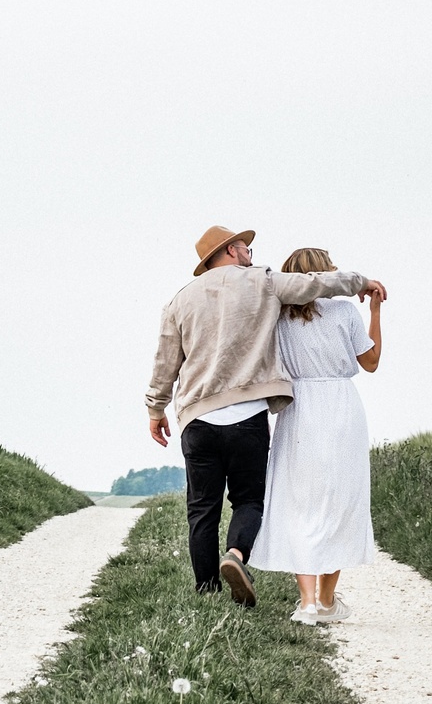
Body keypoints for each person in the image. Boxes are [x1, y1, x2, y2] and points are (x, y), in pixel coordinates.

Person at [145, 226, 385, 605]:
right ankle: (236, 554)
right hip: (248, 416)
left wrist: (155, 408)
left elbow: (165, 363)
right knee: (248, 500)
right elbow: (315, 284)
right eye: (246, 248)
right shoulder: (262, 283)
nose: (250, 255)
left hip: (197, 417)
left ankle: (207, 592)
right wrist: (362, 282)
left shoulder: (179, 301)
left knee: (202, 508)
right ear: (231, 251)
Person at [247, 246, 383, 624]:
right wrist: (375, 311)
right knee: (339, 501)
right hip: (341, 407)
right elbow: (371, 363)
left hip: (298, 408)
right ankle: (326, 599)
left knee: (299, 503)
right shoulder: (345, 313)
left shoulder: (277, 317)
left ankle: (307, 602)